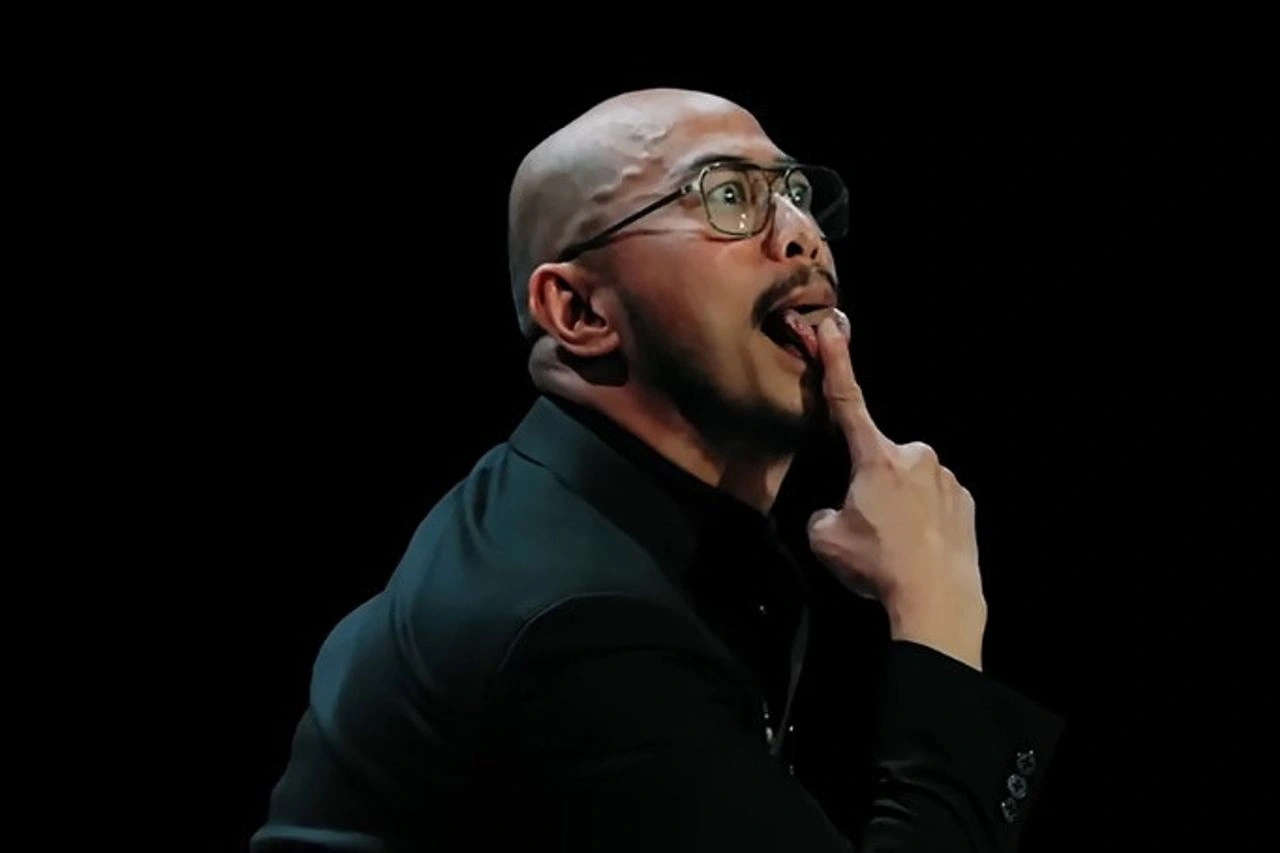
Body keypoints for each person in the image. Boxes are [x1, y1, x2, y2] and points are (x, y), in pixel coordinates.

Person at [251, 88, 1064, 852]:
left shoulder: (625, 531)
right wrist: (939, 610)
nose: (801, 235)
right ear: (579, 311)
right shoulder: (573, 620)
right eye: (727, 197)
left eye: (795, 194)